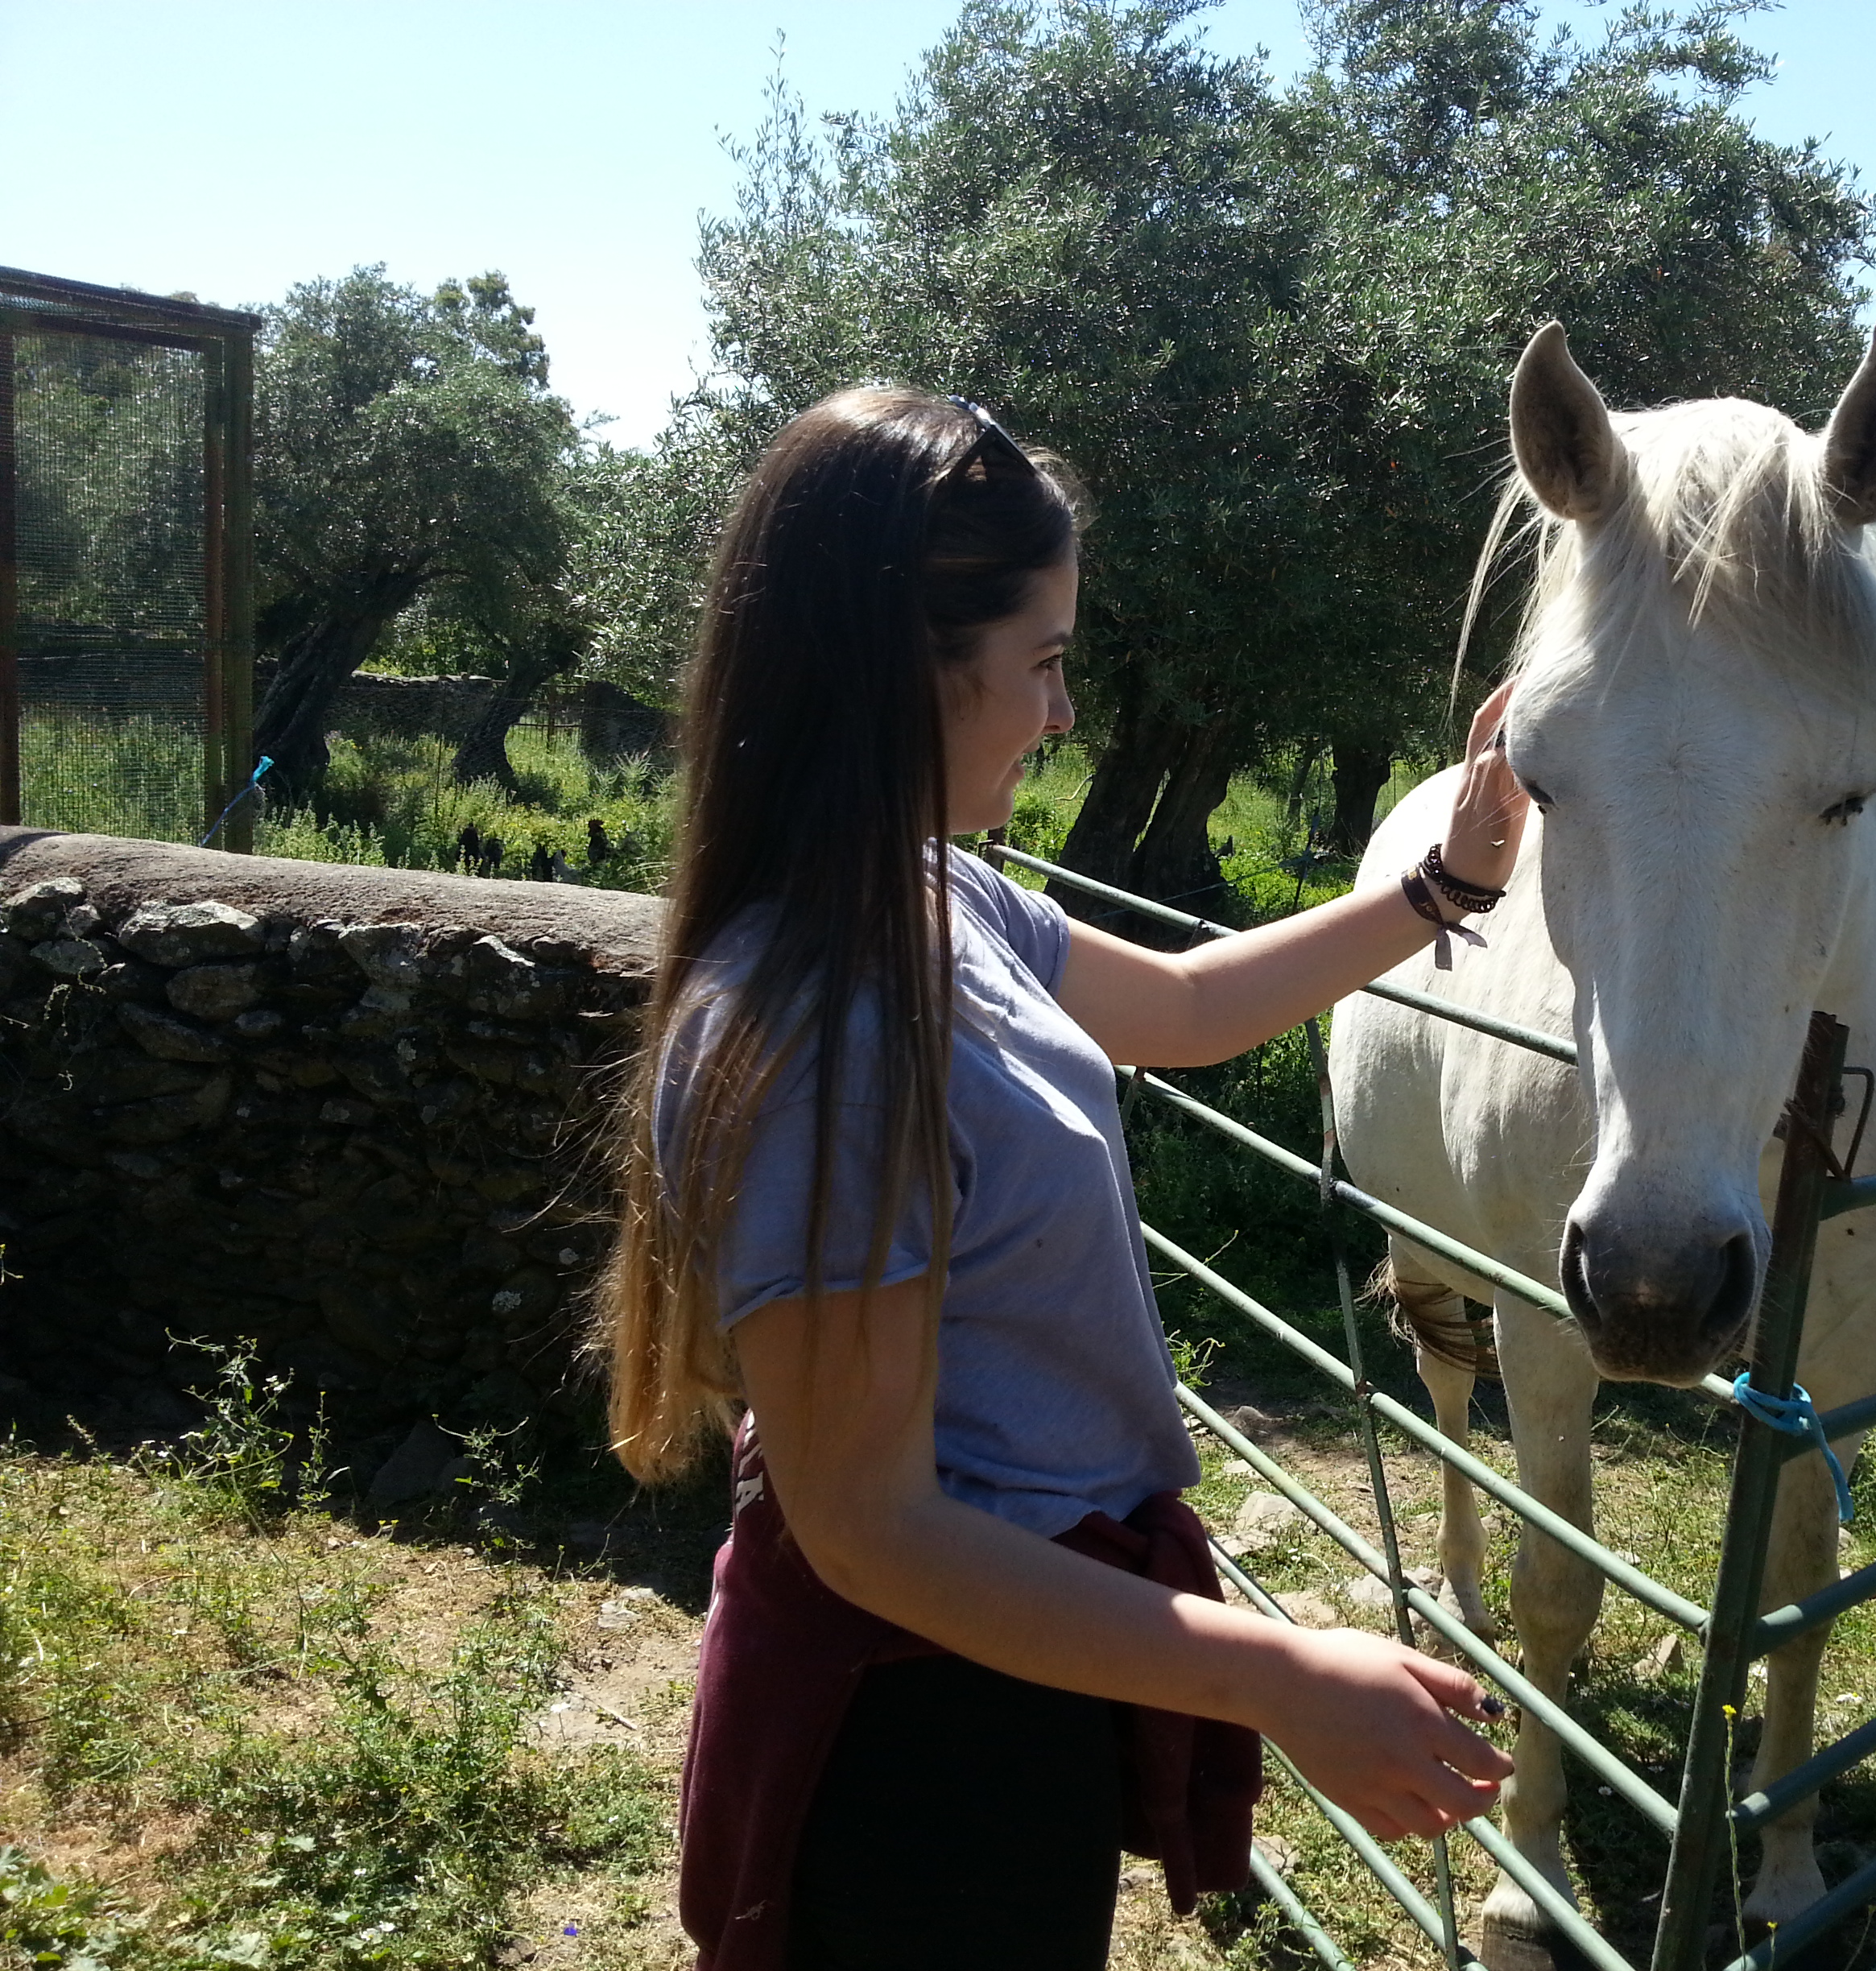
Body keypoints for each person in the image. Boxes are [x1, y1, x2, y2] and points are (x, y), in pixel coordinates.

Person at [602, 386, 1526, 1971]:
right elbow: (874, 1533)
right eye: (1043, 662)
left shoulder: (930, 893)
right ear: (913, 668)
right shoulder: (835, 1024)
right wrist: (1281, 1676)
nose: (1063, 714)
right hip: (919, 1726)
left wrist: (1448, 878)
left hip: (1007, 1656)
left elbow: (1185, 1009)